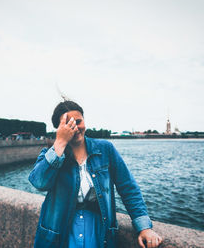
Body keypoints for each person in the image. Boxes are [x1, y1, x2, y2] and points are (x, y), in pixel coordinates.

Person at [29, 100, 163, 248]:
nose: (75, 128)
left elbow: (128, 188)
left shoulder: (105, 149)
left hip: (99, 231)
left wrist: (144, 227)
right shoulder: (49, 154)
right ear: (59, 129)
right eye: (68, 124)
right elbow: (39, 183)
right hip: (60, 233)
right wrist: (60, 143)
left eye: (78, 121)